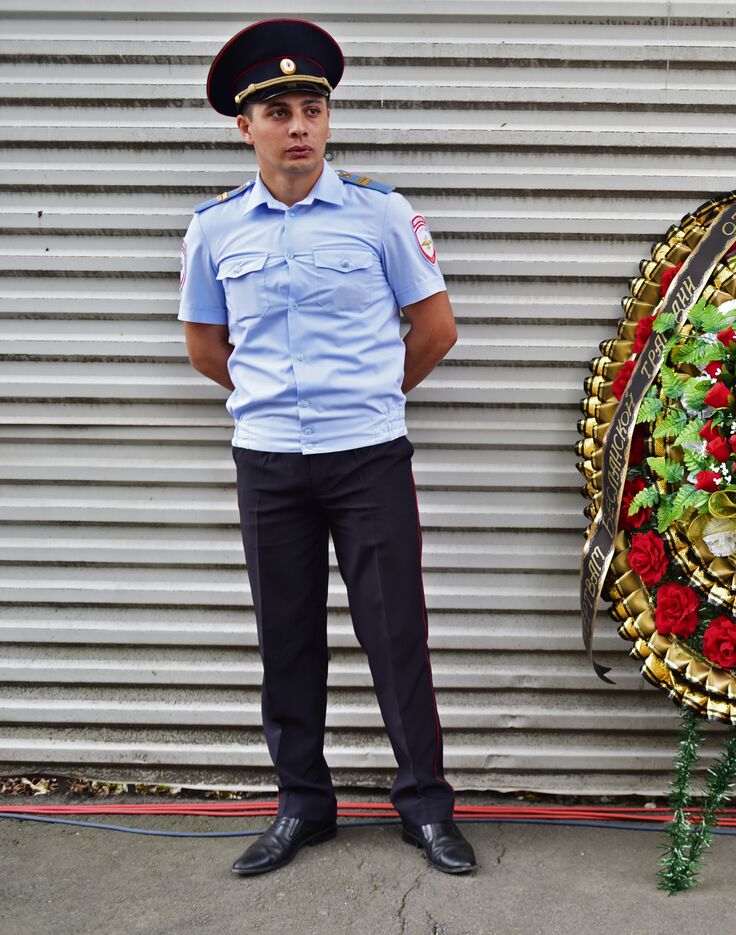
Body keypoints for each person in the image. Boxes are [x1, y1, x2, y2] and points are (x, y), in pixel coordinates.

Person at [179, 19, 474, 876]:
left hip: (368, 458)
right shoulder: (215, 230)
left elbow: (435, 328)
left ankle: (426, 805)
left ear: (328, 120)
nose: (299, 125)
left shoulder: (381, 215)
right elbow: (206, 346)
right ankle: (303, 805)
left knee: (396, 635)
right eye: (279, 111)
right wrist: (275, 403)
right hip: (268, 461)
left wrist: (369, 397)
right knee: (288, 637)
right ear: (247, 127)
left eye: (313, 108)